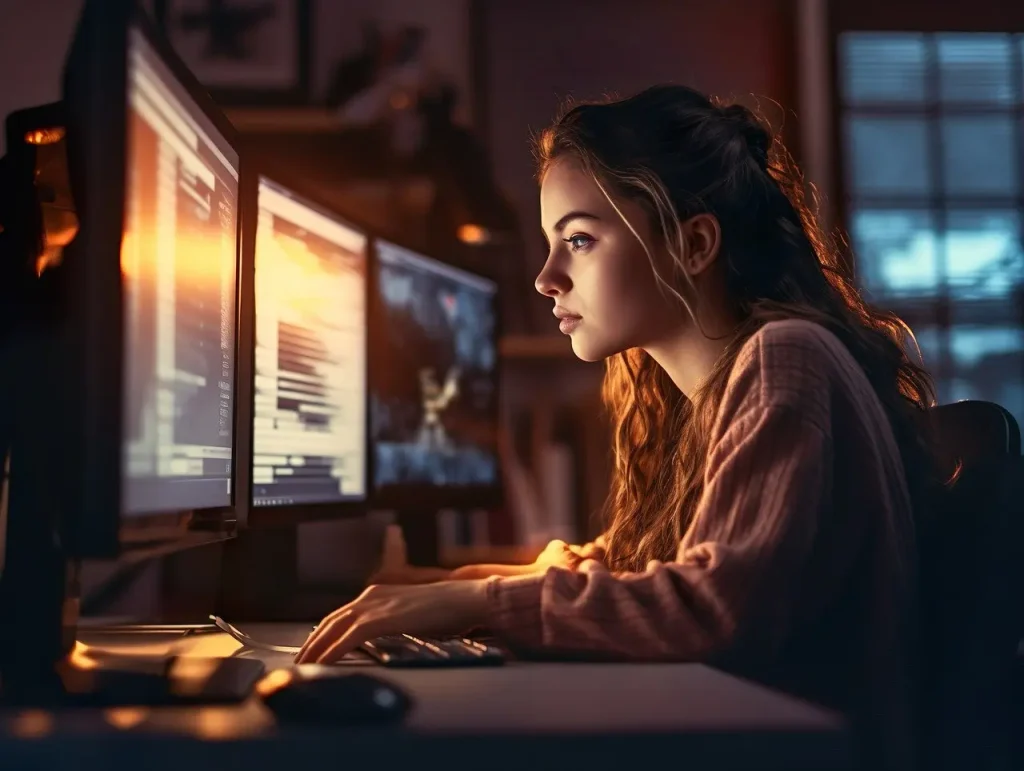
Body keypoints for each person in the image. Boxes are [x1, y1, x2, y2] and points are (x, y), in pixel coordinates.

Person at [296, 85, 940, 768]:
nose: (546, 277)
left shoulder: (786, 356)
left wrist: (471, 601)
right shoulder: (699, 394)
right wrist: (438, 591)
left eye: (578, 239)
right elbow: (633, 567)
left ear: (693, 243)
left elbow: (711, 611)